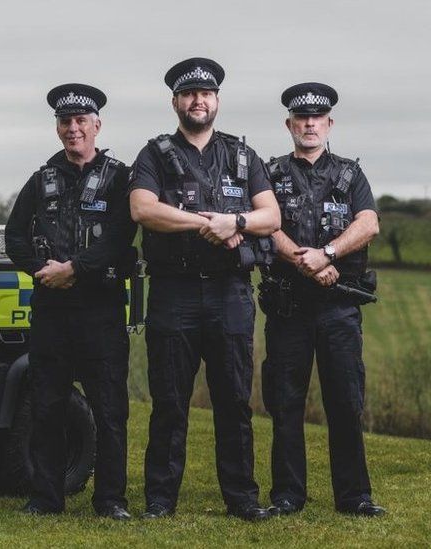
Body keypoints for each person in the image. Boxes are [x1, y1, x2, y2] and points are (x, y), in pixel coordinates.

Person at [128, 58, 280, 521]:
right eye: (189, 93)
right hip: (174, 293)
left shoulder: (242, 155)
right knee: (170, 401)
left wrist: (235, 221)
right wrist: (206, 223)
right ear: (175, 101)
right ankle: (160, 500)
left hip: (230, 293)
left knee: (234, 400)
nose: (198, 100)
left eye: (206, 93)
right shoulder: (154, 154)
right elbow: (142, 209)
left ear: (216, 100)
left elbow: (271, 216)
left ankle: (242, 499)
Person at [4, 83, 137, 519]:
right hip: (52, 311)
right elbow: (14, 237)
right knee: (47, 406)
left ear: (97, 125)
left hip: (100, 309)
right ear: (57, 127)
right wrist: (43, 271)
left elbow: (120, 238)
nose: (73, 128)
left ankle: (110, 499)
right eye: (66, 121)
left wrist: (74, 270)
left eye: (82, 121)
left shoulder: (120, 177)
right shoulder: (41, 179)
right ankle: (46, 497)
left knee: (110, 408)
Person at [259, 82, 384, 517]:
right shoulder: (269, 172)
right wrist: (304, 260)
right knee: (285, 403)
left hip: (338, 309)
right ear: (289, 124)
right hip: (289, 307)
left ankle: (354, 497)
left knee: (346, 403)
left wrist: (328, 253)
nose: (309, 124)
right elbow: (265, 225)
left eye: (317, 118)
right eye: (301, 118)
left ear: (329, 124)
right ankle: (288, 496)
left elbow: (368, 223)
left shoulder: (351, 174)